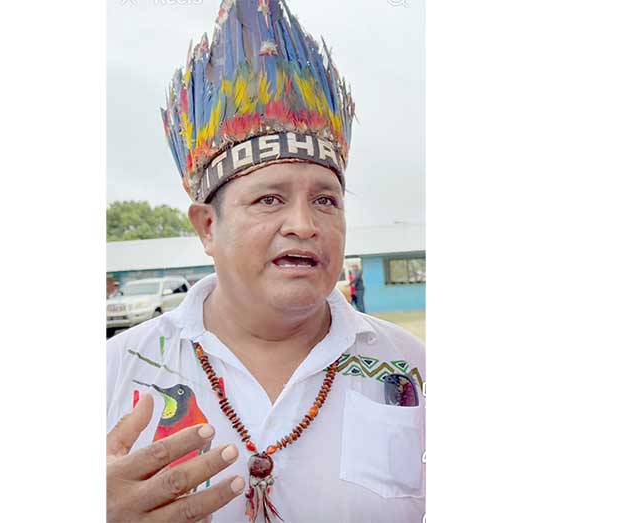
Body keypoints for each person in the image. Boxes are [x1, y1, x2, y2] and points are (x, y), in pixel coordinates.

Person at [106, 1, 425, 521]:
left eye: (325, 200)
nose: (304, 224)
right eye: (269, 199)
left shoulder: (411, 365)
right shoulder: (118, 369)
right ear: (207, 227)